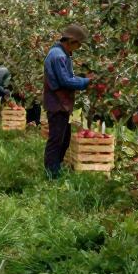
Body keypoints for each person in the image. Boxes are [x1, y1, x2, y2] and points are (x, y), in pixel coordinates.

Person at [43, 25, 90, 176]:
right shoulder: (59, 56)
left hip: (61, 104)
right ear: (71, 41)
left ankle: (56, 168)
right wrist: (86, 82)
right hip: (57, 104)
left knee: (64, 139)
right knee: (56, 140)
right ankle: (52, 173)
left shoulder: (59, 53)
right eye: (78, 44)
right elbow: (65, 81)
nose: (79, 47)